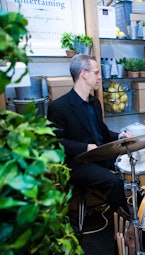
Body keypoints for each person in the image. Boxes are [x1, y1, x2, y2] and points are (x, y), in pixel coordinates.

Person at [47, 54, 132, 219]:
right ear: (83, 74)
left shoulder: (94, 102)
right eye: (96, 72)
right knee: (113, 181)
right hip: (76, 163)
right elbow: (56, 142)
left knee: (134, 164)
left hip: (99, 155)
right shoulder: (59, 107)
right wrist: (85, 148)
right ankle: (126, 223)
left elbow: (103, 133)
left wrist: (120, 135)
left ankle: (142, 211)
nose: (100, 77)